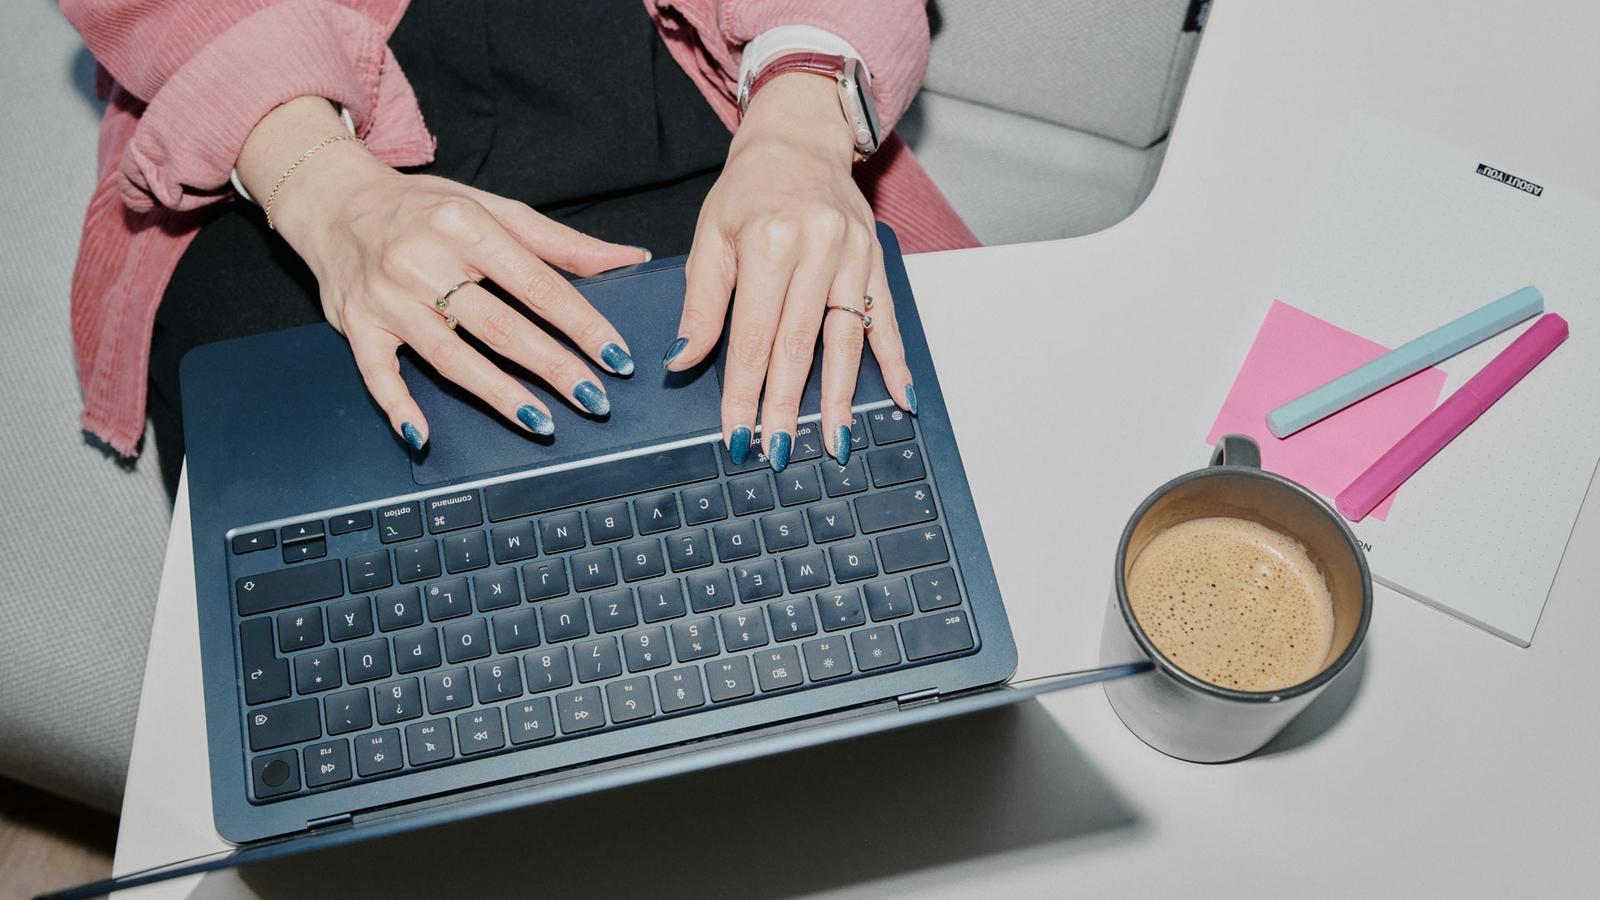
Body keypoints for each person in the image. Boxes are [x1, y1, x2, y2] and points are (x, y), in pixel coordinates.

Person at [63, 0, 978, 498]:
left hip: (680, 66)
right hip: (281, 97)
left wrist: (800, 115)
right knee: (361, 635)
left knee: (863, 528)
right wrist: (321, 188)